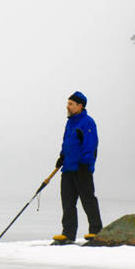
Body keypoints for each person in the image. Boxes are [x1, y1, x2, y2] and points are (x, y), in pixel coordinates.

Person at [52, 91, 103, 245]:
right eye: (68, 103)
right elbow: (67, 143)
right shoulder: (70, 122)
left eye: (71, 104)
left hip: (82, 168)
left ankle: (96, 230)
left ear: (80, 106)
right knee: (67, 202)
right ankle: (68, 233)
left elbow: (91, 144)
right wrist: (62, 157)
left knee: (88, 200)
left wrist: (85, 162)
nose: (68, 106)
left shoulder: (87, 122)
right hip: (68, 168)